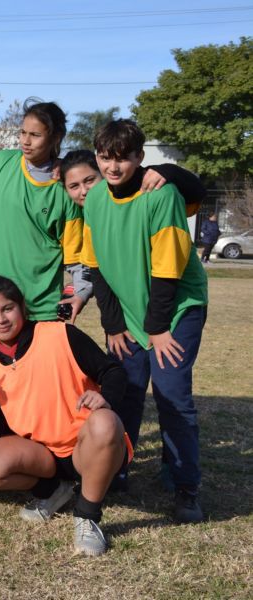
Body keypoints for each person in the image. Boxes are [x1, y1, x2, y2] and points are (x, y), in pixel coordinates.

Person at [0, 275, 129, 556]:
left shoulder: (60, 334)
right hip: (43, 456)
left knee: (105, 421)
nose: (1, 319)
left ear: (22, 307)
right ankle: (55, 489)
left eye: (8, 308)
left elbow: (113, 371)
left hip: (86, 446)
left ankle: (87, 515)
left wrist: (106, 398)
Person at [81, 119, 208, 523]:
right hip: (131, 316)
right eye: (105, 157)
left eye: (123, 158)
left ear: (139, 157)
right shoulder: (95, 198)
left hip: (176, 309)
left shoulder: (161, 194)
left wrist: (156, 329)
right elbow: (96, 267)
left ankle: (185, 485)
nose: (113, 167)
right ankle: (117, 466)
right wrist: (114, 324)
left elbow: (167, 273)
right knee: (126, 390)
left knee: (171, 395)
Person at [59, 150, 208, 322]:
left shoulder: (146, 195)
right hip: (129, 310)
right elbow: (93, 266)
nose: (84, 191)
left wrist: (168, 171)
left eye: (90, 180)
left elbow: (197, 193)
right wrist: (83, 295)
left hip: (175, 302)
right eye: (74, 186)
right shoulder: (82, 215)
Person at [0, 101, 82, 321]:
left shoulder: (66, 187)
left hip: (40, 306)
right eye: (22, 132)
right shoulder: (0, 163)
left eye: (35, 135)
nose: (25, 141)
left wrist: (81, 292)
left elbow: (75, 255)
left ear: (56, 138)